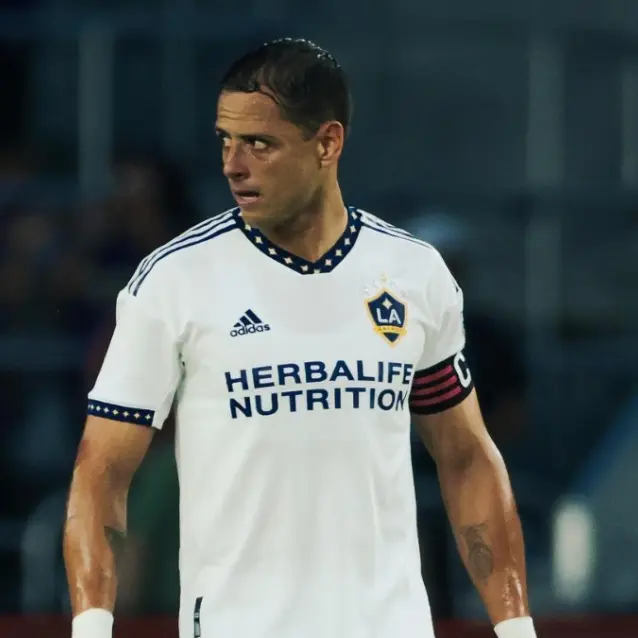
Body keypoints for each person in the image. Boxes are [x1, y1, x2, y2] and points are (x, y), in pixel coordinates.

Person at [63, 38, 537, 638]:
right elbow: (101, 470)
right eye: (225, 140)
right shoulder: (174, 280)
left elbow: (466, 457)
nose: (233, 164)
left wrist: (516, 628)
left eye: (258, 143)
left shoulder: (414, 274)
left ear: (328, 143)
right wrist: (91, 628)